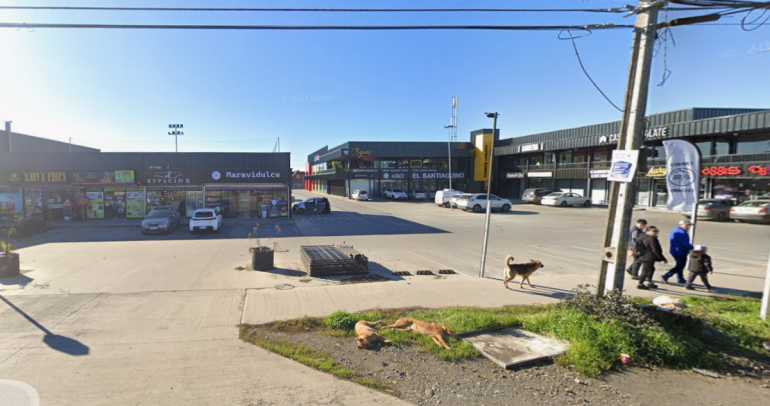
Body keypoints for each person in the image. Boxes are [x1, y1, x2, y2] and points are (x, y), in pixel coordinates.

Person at [636, 226, 668, 290]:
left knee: (651, 269)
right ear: (648, 231)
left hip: (642, 256)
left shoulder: (642, 236)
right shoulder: (651, 239)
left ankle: (650, 282)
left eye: (657, 231)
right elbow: (655, 250)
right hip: (648, 257)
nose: (656, 233)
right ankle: (640, 284)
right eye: (653, 231)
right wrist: (662, 258)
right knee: (645, 271)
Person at [663, 220, 694, 284]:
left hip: (675, 250)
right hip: (680, 251)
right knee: (680, 265)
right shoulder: (681, 232)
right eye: (687, 225)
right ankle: (666, 276)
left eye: (689, 225)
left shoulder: (675, 230)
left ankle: (680, 278)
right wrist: (692, 248)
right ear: (681, 225)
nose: (688, 227)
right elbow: (685, 243)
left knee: (679, 264)